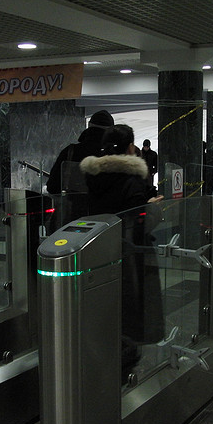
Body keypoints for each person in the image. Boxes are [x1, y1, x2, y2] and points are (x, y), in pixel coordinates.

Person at [80, 124, 163, 383]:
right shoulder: (132, 179)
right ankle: (126, 359)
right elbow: (138, 219)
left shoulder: (94, 176)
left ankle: (106, 353)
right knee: (131, 302)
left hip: (100, 248)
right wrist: (151, 207)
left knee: (107, 299)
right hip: (129, 252)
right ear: (130, 147)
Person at [47, 109, 114, 224]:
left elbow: (52, 187)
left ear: (89, 127)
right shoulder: (112, 156)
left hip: (70, 217)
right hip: (102, 220)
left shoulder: (70, 152)